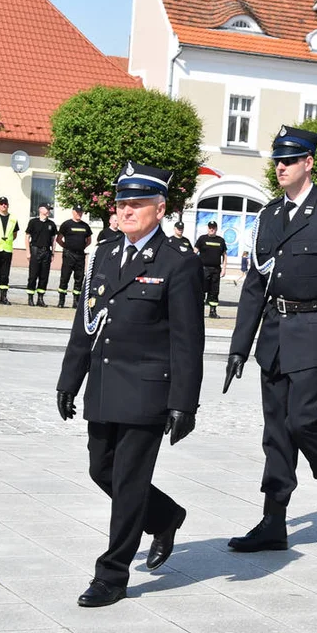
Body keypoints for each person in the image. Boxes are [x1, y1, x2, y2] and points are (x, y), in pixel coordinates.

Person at [56, 161, 203, 607]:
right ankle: (165, 516)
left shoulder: (179, 261)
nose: (126, 211)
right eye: (122, 203)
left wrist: (184, 403)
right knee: (100, 468)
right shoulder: (102, 253)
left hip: (146, 389)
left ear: (161, 209)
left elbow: (187, 340)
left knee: (129, 479)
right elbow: (86, 323)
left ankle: (112, 574)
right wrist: (70, 379)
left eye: (137, 204)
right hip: (103, 381)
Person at [224, 125, 317, 553]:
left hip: (316, 332)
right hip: (276, 334)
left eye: (289, 160)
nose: (280, 167)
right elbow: (255, 283)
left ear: (309, 163)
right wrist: (239, 347)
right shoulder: (269, 216)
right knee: (277, 433)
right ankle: (273, 521)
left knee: (302, 420)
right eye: (277, 160)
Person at [55, 206, 93, 308]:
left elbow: (89, 241)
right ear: (73, 212)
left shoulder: (85, 226)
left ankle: (76, 301)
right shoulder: (66, 224)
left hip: (80, 255)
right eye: (77, 212)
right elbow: (58, 239)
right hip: (69, 255)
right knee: (65, 277)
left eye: (80, 212)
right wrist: (66, 247)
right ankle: (61, 301)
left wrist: (81, 247)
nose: (79, 214)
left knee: (79, 278)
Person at [25, 203, 58, 307]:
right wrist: (27, 252)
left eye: (49, 209)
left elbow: (53, 240)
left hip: (46, 252)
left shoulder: (51, 224)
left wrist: (53, 252)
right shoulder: (33, 222)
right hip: (35, 250)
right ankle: (30, 298)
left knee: (44, 276)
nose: (48, 211)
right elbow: (27, 237)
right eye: (47, 209)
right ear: (40, 209)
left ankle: (40, 298)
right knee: (33, 275)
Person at [194, 221, 228, 318]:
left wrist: (224, 268)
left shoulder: (221, 240)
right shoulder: (202, 239)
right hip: (203, 269)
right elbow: (194, 252)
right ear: (207, 228)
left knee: (214, 291)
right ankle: (198, 311)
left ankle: (212, 312)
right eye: (210, 227)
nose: (211, 229)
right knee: (201, 290)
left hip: (216, 270)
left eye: (213, 227)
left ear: (216, 229)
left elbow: (225, 255)